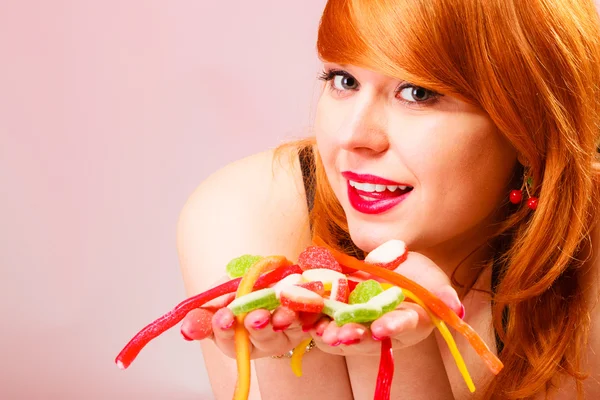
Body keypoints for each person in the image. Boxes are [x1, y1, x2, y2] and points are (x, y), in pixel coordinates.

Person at [175, 0, 600, 398]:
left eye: (417, 92)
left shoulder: (587, 259)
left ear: (530, 130)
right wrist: (289, 357)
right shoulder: (245, 212)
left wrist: (404, 352)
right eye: (344, 81)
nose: (353, 137)